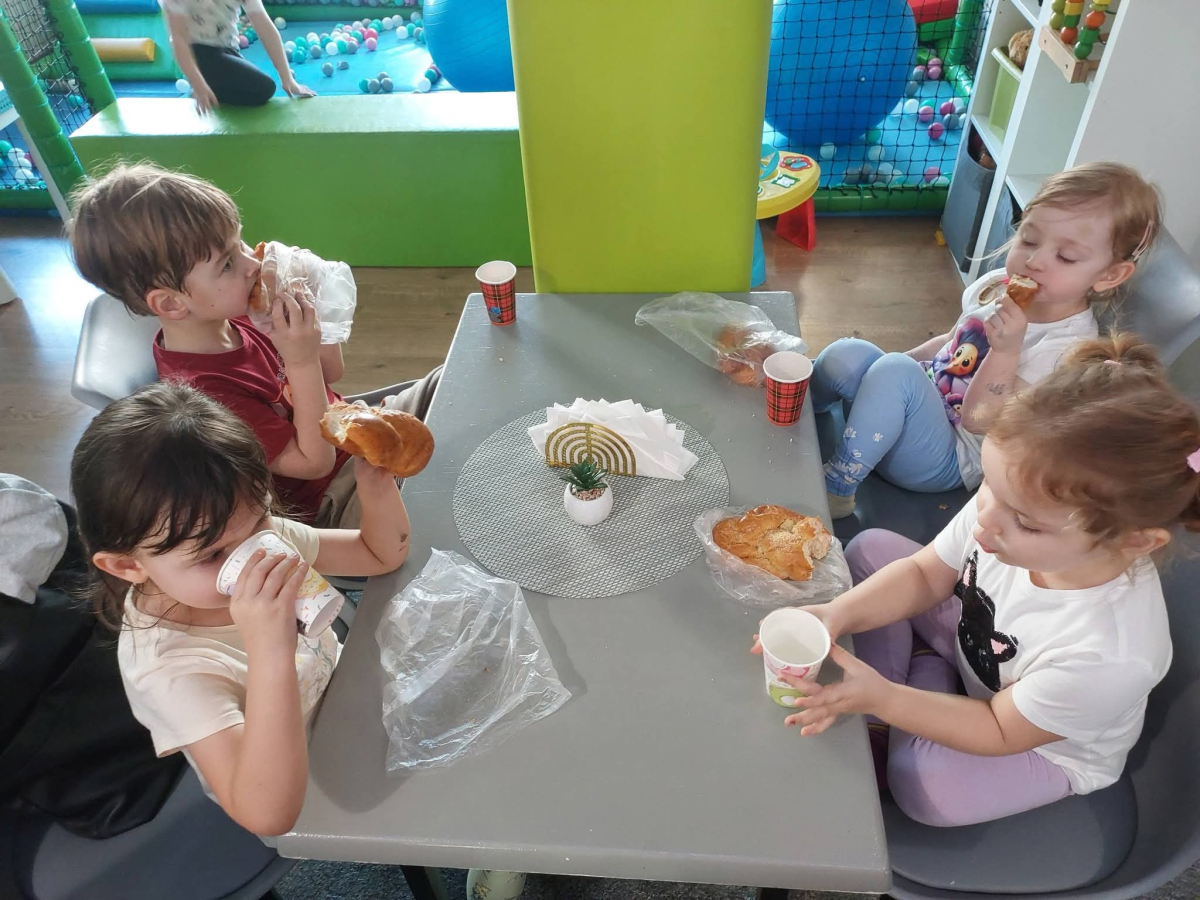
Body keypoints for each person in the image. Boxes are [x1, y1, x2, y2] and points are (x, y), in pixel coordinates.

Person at [757, 335, 1197, 826]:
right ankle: (905, 692)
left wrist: (886, 698)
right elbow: (926, 573)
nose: (985, 521)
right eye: (989, 484)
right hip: (977, 652)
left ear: (1135, 541)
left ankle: (908, 683)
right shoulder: (1010, 505)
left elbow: (998, 728)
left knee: (927, 787)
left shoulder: (1112, 655)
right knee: (869, 550)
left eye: (1025, 522)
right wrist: (836, 614)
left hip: (1031, 739)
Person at [71, 381, 411, 836]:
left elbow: (378, 554)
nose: (255, 555)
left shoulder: (248, 533)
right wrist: (270, 651)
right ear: (128, 565)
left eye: (260, 519)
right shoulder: (171, 671)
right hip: (302, 784)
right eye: (212, 555)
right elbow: (267, 814)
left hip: (350, 700)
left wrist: (376, 489)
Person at [68, 162, 440, 527]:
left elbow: (330, 373)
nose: (251, 264)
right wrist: (300, 360)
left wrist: (318, 310)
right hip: (333, 499)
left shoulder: (240, 314)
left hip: (357, 430)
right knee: (444, 487)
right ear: (170, 304)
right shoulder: (205, 400)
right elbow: (314, 463)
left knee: (445, 382)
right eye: (227, 264)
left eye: (240, 243)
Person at [811, 162, 1162, 518]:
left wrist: (1006, 352)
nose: (1034, 261)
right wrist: (884, 386)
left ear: (1109, 275)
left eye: (1065, 256)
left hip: (943, 457)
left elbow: (980, 422)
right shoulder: (997, 286)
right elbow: (951, 341)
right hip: (909, 415)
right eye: (1028, 239)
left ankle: (837, 489)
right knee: (848, 355)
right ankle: (803, 409)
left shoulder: (1067, 353)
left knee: (894, 371)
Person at [162, 0, 315, 113]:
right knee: (264, 88)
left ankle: (215, 85)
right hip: (198, 54)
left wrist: (287, 78)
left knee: (254, 84)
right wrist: (198, 84)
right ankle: (210, 86)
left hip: (228, 49)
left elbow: (263, 23)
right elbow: (179, 38)